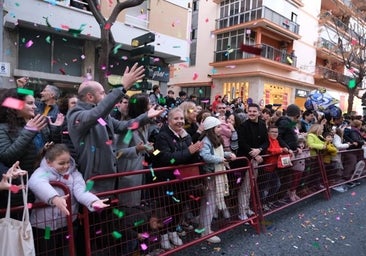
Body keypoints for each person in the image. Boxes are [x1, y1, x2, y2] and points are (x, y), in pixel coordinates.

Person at [67, 63, 163, 193]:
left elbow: (123, 126)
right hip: (93, 180)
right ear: (90, 97)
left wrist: (145, 116)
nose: (105, 96)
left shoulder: (102, 116)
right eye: (102, 93)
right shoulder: (76, 115)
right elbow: (95, 114)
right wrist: (122, 87)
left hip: (108, 176)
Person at [28, 143, 110, 255]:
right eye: (61, 163)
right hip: (45, 226)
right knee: (47, 250)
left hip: (66, 224)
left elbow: (81, 190)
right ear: (49, 162)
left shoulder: (74, 174)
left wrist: (93, 201)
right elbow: (36, 182)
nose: (66, 166)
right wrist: (55, 198)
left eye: (68, 162)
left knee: (62, 250)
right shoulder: (42, 172)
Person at [151, 108, 202, 250]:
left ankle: (173, 231)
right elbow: (167, 159)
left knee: (179, 208)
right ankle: (163, 235)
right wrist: (189, 151)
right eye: (176, 119)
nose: (180, 122)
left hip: (182, 179)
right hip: (167, 179)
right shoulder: (162, 137)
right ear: (169, 120)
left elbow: (189, 157)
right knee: (166, 208)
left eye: (181, 119)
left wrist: (196, 151)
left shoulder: (185, 135)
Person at [199, 116, 236, 243]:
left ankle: (204, 227)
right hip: (211, 175)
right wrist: (221, 159)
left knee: (209, 202)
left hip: (215, 173)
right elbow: (205, 155)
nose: (221, 128)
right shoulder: (206, 140)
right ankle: (205, 230)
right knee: (210, 202)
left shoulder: (214, 139)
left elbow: (216, 154)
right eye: (218, 126)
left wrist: (227, 154)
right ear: (211, 129)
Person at [116, 93, 156, 207]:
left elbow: (141, 143)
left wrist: (147, 147)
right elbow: (118, 152)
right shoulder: (128, 128)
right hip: (129, 172)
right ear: (142, 108)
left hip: (140, 170)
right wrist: (137, 149)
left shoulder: (145, 125)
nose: (151, 106)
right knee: (129, 207)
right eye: (149, 104)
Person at [236, 103, 269, 220]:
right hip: (246, 160)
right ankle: (241, 211)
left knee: (251, 186)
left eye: (254, 111)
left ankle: (246, 208)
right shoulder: (243, 126)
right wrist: (254, 154)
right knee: (245, 187)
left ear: (259, 113)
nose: (251, 113)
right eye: (250, 111)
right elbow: (242, 143)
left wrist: (259, 150)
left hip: (256, 160)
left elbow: (266, 141)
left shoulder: (262, 124)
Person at [260, 125, 291, 209]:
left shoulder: (277, 141)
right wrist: (281, 150)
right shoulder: (267, 140)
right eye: (272, 132)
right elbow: (270, 150)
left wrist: (285, 149)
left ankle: (267, 201)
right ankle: (262, 204)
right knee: (263, 188)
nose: (274, 133)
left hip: (273, 167)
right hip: (265, 168)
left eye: (276, 132)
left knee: (276, 185)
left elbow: (277, 149)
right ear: (268, 133)